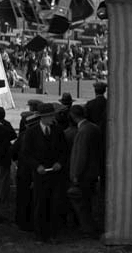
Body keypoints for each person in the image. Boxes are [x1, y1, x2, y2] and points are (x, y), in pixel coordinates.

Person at [19, 103, 68, 243]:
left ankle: (53, 234)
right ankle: (40, 235)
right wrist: (37, 166)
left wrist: (60, 163)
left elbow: (64, 151)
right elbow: (25, 154)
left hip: (55, 173)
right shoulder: (32, 132)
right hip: (40, 174)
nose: (52, 118)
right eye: (50, 116)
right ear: (43, 117)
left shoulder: (57, 131)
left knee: (55, 204)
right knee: (40, 204)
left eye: (53, 116)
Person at [67, 104, 103, 236]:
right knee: (89, 202)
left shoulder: (82, 132)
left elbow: (80, 155)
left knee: (82, 204)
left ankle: (88, 229)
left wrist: (75, 174)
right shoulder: (93, 128)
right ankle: (90, 227)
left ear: (72, 116)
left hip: (84, 174)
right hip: (93, 172)